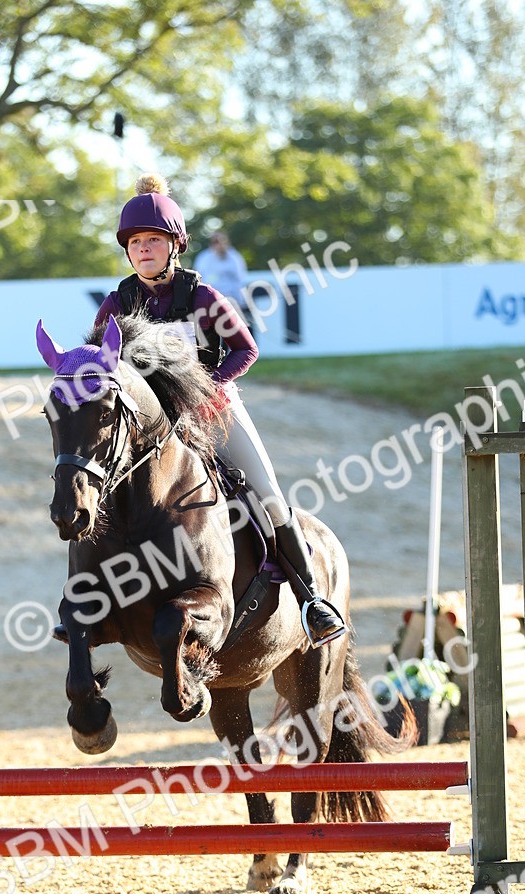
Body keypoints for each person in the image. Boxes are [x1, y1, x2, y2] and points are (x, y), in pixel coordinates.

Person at [92, 173, 346, 649]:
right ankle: (91, 603)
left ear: (175, 246)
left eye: (153, 240)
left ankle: (312, 601)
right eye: (136, 242)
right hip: (150, 427)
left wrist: (209, 390)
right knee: (98, 494)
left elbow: (245, 350)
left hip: (212, 412)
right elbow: (100, 361)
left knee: (268, 495)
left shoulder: (204, 298)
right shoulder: (117, 303)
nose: (143, 249)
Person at [193, 230, 253, 332]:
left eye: (222, 241)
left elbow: (241, 277)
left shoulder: (235, 257)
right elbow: (199, 278)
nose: (219, 244)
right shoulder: (204, 258)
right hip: (212, 302)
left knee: (242, 330)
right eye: (216, 241)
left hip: (234, 302)